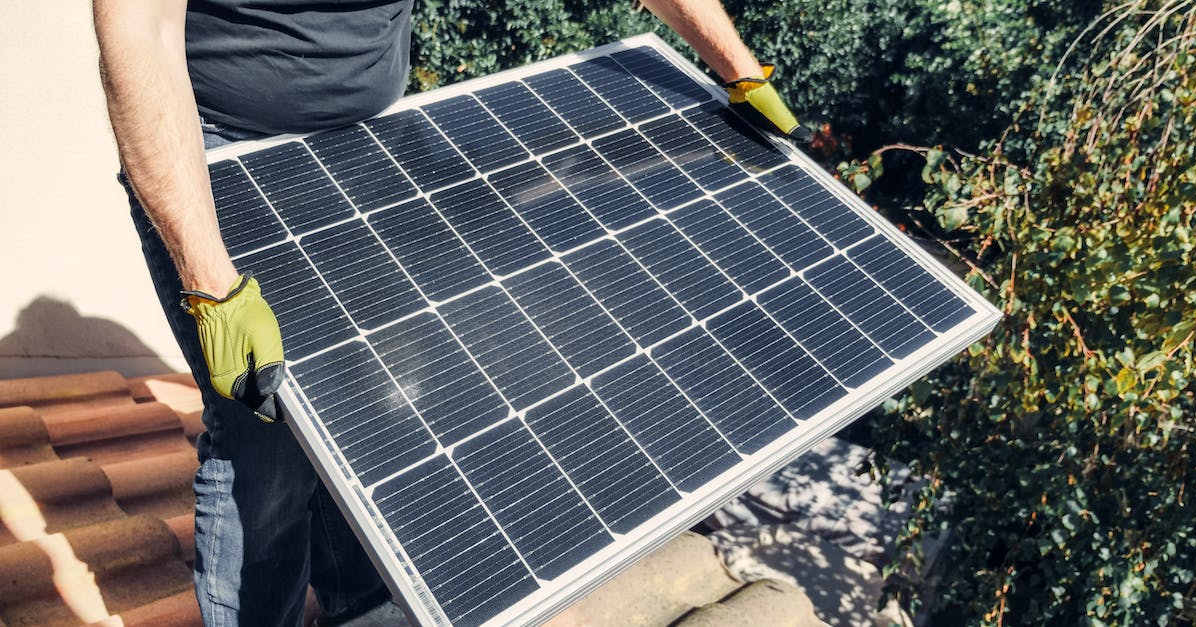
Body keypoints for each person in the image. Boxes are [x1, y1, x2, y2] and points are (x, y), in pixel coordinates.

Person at [93, 1, 807, 625]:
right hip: (220, 151)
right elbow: (137, 29)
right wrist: (211, 281)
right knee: (263, 434)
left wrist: (738, 67)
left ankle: (358, 604)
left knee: (363, 401)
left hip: (369, 145)